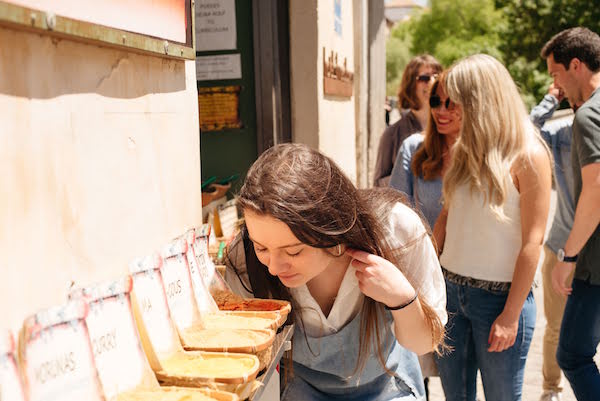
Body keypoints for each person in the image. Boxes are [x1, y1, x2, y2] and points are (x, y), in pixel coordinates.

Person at [224, 143, 447, 400]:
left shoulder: (395, 231)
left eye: (294, 252)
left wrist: (402, 299)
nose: (273, 267)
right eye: (262, 248)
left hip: (386, 386)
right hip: (300, 388)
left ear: (333, 229)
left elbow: (424, 344)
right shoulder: (244, 258)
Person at [433, 54, 552, 401]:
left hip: (500, 300)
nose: (448, 108)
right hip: (451, 294)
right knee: (456, 396)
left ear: (479, 101)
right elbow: (446, 217)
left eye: (456, 100)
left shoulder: (529, 155)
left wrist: (511, 315)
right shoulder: (461, 149)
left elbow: (534, 242)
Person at [541, 27, 600, 401]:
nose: (556, 86)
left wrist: (569, 256)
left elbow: (596, 190)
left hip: (595, 264)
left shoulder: (589, 116)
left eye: (555, 74)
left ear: (575, 65)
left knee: (572, 355)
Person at [530, 85, 576, 401]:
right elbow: (525, 133)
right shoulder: (561, 133)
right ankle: (550, 389)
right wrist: (551, 99)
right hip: (561, 244)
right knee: (556, 327)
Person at [390, 72, 461, 230]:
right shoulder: (412, 147)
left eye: (450, 103)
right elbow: (396, 213)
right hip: (423, 251)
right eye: (435, 101)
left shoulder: (483, 157)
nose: (441, 110)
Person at [374, 55, 443, 186]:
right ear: (411, 84)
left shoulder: (449, 127)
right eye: (424, 78)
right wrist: (406, 174)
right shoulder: (392, 134)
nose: (432, 82)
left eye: (437, 76)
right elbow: (378, 184)